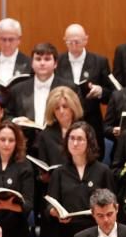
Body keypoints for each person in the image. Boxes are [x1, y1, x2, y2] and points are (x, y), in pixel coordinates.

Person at [45, 121, 115, 237]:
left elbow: (112, 203)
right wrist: (54, 211)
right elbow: (49, 203)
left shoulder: (103, 171)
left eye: (80, 139)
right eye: (71, 138)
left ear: (89, 142)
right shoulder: (59, 172)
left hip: (95, 232)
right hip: (66, 232)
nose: (75, 143)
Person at [57, 24, 112, 153]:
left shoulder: (100, 61)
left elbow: (111, 95)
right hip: (64, 122)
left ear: (86, 39)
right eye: (70, 42)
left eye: (78, 41)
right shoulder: (57, 61)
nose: (74, 45)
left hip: (91, 122)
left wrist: (100, 91)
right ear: (64, 40)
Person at [8, 43, 75, 125]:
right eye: (38, 59)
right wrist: (16, 120)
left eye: (47, 59)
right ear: (32, 63)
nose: (42, 63)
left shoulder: (69, 88)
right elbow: (7, 115)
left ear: (55, 64)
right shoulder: (17, 89)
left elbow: (77, 117)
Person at [32, 86, 84, 172]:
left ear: (73, 107)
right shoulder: (45, 135)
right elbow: (42, 167)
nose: (61, 111)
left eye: (65, 106)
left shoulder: (84, 130)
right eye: (57, 108)